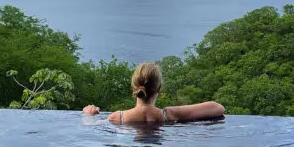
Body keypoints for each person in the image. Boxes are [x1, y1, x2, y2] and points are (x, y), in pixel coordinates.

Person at [82, 61, 224, 125]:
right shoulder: (169, 114)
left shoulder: (118, 117)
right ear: (159, 89)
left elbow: (91, 126)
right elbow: (217, 108)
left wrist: (89, 116)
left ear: (134, 88)